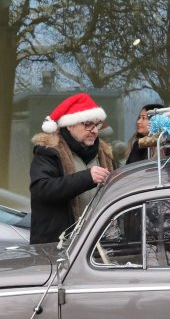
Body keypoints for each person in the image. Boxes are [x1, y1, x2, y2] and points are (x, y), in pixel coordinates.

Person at [29, 93, 117, 245]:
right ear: (70, 125)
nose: (95, 131)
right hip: (57, 246)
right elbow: (41, 189)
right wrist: (87, 178)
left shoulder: (105, 153)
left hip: (97, 245)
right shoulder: (49, 151)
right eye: (88, 124)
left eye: (97, 125)